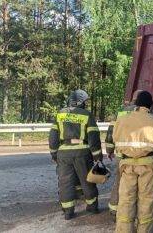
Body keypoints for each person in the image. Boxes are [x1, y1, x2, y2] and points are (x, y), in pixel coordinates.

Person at [113, 90, 153, 233]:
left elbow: (115, 139)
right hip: (147, 165)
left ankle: (124, 230)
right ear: (150, 105)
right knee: (147, 200)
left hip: (127, 164)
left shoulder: (122, 120)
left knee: (126, 200)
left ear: (136, 103)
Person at [49, 89, 103, 220]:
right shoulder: (86, 114)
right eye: (85, 102)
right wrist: (97, 156)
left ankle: (68, 211)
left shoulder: (60, 114)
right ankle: (92, 207)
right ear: (81, 102)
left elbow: (53, 137)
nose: (86, 104)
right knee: (87, 180)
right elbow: (93, 137)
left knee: (65, 182)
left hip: (63, 152)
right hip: (82, 151)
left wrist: (54, 154)